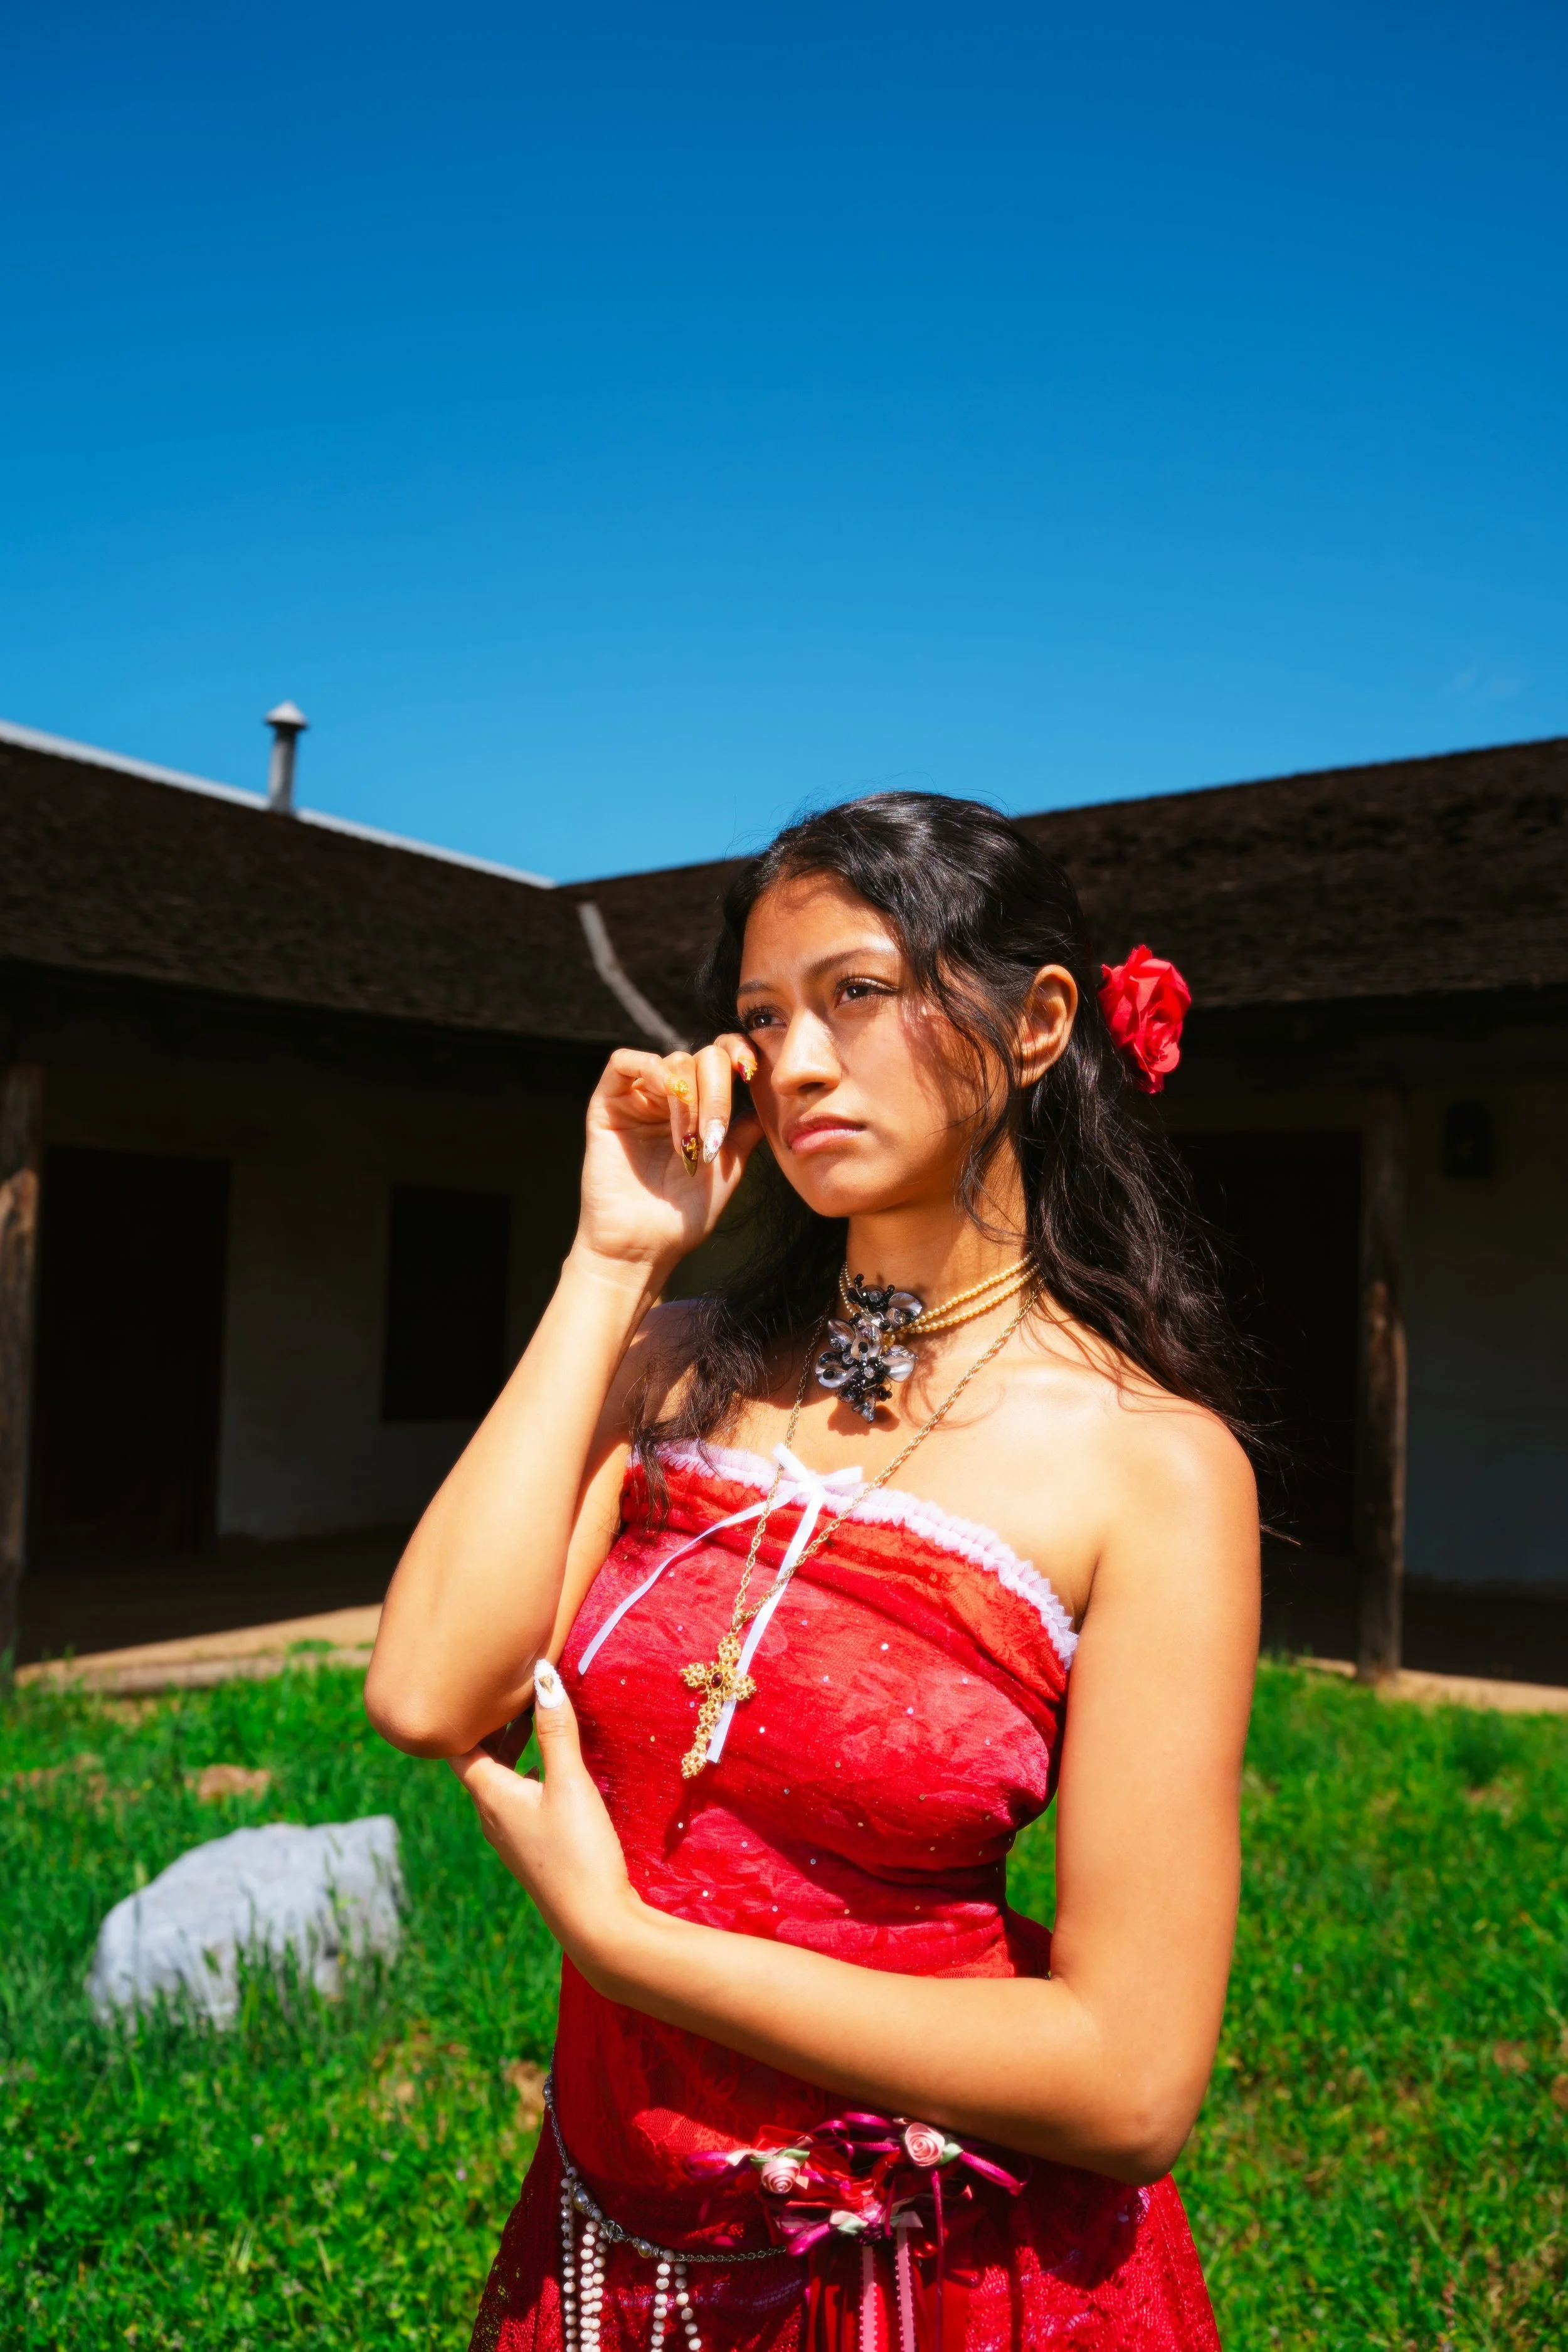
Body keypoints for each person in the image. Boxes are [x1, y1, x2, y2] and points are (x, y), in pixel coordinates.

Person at [365, 792, 1259, 2351]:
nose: (788, 1063)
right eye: (758, 1019)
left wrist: (633, 1950)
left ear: (1037, 1020)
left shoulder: (1153, 1469)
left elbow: (1129, 2082)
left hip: (935, 2272)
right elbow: (432, 1692)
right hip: (612, 2234)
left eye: (856, 993)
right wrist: (614, 1257)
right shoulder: (678, 1365)